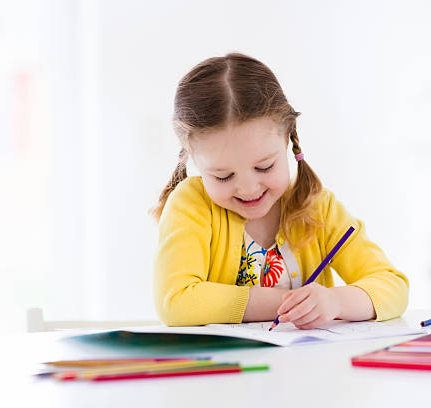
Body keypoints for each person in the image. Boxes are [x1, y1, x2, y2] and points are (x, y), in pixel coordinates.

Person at [151, 53, 408, 329]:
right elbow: (176, 302)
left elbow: (393, 287)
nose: (249, 188)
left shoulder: (316, 205)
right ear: (191, 157)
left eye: (264, 167)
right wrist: (289, 302)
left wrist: (336, 302)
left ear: (287, 139)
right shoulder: (191, 205)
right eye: (223, 176)